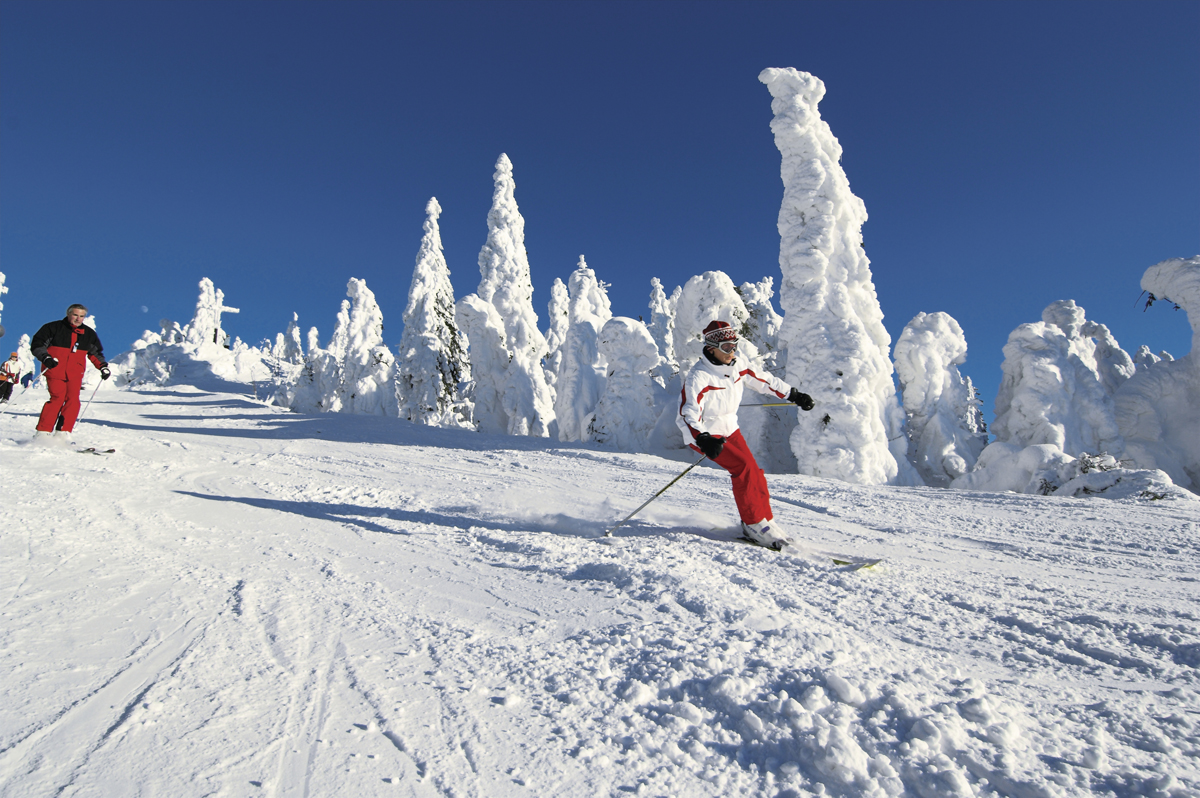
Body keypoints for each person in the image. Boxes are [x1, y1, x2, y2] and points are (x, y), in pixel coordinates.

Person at [676, 320, 814, 549]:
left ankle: (765, 520)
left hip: (730, 428)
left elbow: (763, 381)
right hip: (705, 435)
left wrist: (793, 395)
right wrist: (702, 438)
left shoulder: (737, 365)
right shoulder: (699, 377)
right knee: (743, 469)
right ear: (712, 348)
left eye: (735, 345)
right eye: (727, 347)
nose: (733, 351)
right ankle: (753, 524)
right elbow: (687, 414)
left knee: (756, 473)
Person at [30, 304, 110, 435]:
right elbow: (37, 344)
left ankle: (63, 433)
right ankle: (43, 433)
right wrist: (46, 358)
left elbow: (95, 353)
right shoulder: (53, 328)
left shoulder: (88, 334)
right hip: (55, 369)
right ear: (68, 314)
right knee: (57, 398)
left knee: (73, 401)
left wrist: (103, 367)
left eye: (82, 316)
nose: (78, 319)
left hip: (75, 373)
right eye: (75, 315)